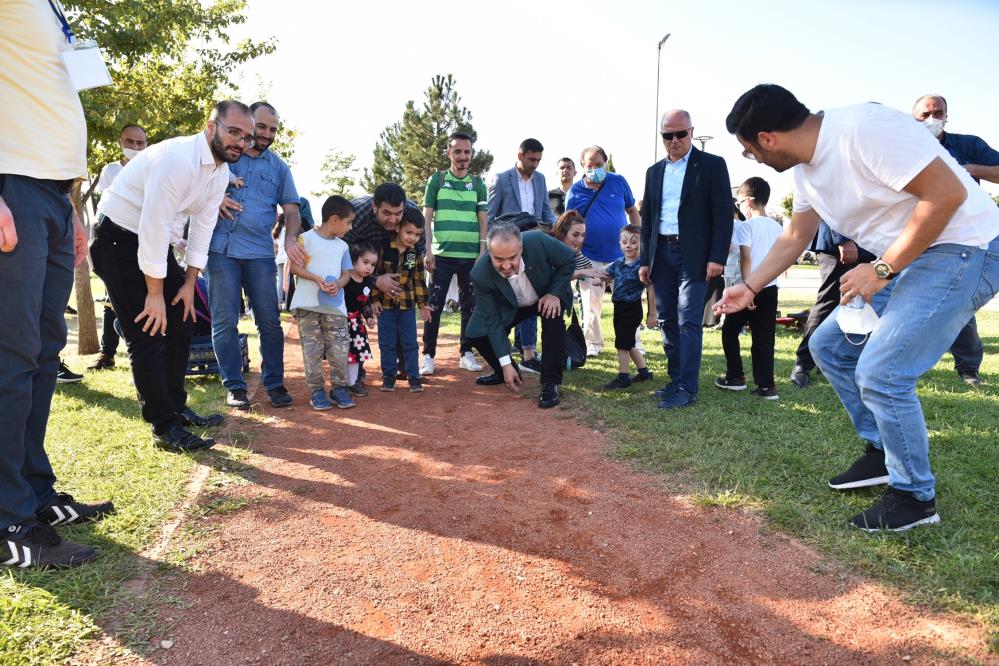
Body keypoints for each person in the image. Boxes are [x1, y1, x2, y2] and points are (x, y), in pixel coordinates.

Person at [718, 84, 999, 531]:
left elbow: (946, 195)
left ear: (767, 138)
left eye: (750, 152)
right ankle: (884, 453)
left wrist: (882, 269)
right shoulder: (808, 173)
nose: (755, 161)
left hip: (967, 248)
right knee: (830, 346)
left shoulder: (862, 128)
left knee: (883, 372)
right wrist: (749, 287)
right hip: (914, 258)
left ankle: (914, 498)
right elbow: (795, 237)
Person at [1, 0, 117, 569]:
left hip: (49, 192)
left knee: (46, 353)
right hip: (12, 183)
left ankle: (34, 495)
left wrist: (69, 203)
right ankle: (8, 522)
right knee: (13, 355)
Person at [93, 100, 250, 454]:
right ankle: (165, 428)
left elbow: (203, 229)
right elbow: (152, 225)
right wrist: (153, 294)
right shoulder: (178, 159)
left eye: (246, 136)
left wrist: (189, 284)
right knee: (147, 331)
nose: (240, 141)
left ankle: (177, 407)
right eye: (234, 132)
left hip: (152, 242)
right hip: (117, 239)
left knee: (180, 320)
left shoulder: (219, 173)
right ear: (211, 127)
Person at [207, 101, 302, 411]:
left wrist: (290, 238)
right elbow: (195, 186)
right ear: (249, 124)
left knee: (270, 322)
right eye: (261, 127)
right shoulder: (223, 156)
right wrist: (215, 196)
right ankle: (234, 387)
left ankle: (274, 384)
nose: (267, 134)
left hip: (260, 253)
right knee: (224, 321)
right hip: (220, 250)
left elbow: (291, 208)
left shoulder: (278, 168)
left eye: (273, 129)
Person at [638, 110, 733, 410]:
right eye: (668, 135)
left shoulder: (712, 166)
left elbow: (723, 216)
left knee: (688, 321)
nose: (675, 140)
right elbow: (648, 221)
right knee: (666, 320)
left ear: (692, 131)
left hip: (695, 256)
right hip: (661, 255)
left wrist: (717, 257)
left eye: (681, 134)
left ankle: (687, 388)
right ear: (662, 136)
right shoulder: (653, 172)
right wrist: (644, 260)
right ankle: (675, 379)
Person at [912, 94, 999, 387]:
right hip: (917, 234)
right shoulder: (905, 146)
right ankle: (901, 361)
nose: (932, 119)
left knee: (958, 302)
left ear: (947, 116)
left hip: (962, 236)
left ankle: (968, 369)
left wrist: (971, 169)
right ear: (914, 118)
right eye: (925, 114)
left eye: (938, 113)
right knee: (904, 298)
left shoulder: (967, 145)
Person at [466, 223, 576, 409]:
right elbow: (492, 321)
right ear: (489, 253)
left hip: (545, 295)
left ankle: (551, 383)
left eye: (512, 258)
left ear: (521, 248)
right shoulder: (480, 273)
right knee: (475, 332)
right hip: (512, 304)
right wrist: (506, 363)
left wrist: (554, 293)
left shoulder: (537, 240)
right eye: (498, 259)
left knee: (553, 321)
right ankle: (505, 372)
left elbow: (569, 260)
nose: (507, 265)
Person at [487, 139, 558, 373]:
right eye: (531, 159)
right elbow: (490, 215)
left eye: (538, 160)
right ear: (520, 155)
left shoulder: (541, 179)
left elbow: (545, 211)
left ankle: (528, 352)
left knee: (531, 296)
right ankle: (502, 351)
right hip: (507, 250)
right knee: (508, 299)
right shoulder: (501, 178)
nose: (535, 164)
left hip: (533, 248)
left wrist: (559, 228)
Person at [420, 131, 487, 377]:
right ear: (449, 153)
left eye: (467, 152)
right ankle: (428, 355)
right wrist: (427, 250)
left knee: (470, 305)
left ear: (471, 155)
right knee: (434, 305)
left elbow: (483, 219)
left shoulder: (478, 184)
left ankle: (466, 353)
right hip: (442, 255)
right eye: (457, 151)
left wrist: (482, 251)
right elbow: (427, 218)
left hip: (470, 256)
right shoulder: (436, 180)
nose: (462, 156)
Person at [567, 146, 641, 357]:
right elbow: (569, 224)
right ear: (582, 165)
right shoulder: (575, 191)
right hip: (589, 257)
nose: (595, 169)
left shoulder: (618, 181)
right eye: (590, 165)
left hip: (623, 258)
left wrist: (639, 238)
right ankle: (593, 344)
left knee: (629, 302)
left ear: (605, 163)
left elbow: (632, 210)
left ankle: (634, 342)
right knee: (591, 304)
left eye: (599, 165)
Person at [714, 178, 783, 400]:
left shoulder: (745, 226)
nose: (739, 206)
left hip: (750, 286)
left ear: (750, 201)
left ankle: (735, 376)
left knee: (730, 331)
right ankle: (766, 386)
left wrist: (748, 287)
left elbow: (746, 258)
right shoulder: (778, 227)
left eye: (740, 201)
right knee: (765, 338)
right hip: (771, 287)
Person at [89, 124, 149, 371]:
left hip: (142, 241)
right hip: (113, 241)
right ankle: (108, 352)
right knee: (111, 298)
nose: (135, 147)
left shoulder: (151, 169)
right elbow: (106, 204)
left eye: (140, 143)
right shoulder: (110, 170)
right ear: (119, 142)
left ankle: (145, 349)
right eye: (130, 142)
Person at [288, 196, 356, 410]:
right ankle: (317, 391)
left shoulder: (343, 246)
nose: (350, 227)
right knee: (312, 350)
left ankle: (339, 388)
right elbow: (294, 268)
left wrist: (338, 283)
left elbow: (347, 274)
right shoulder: (305, 239)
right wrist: (316, 279)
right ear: (334, 220)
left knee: (339, 349)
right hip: (308, 306)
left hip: (335, 308)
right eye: (349, 222)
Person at [789, 221, 874, 388]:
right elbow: (829, 200)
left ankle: (834, 360)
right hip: (841, 243)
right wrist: (841, 239)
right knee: (828, 303)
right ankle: (803, 363)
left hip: (868, 245)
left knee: (858, 305)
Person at [373, 207, 431, 393]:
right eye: (409, 232)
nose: (412, 238)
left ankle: (413, 375)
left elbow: (419, 279)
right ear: (398, 228)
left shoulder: (415, 253)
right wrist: (374, 299)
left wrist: (423, 305)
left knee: (410, 342)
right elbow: (375, 275)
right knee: (387, 342)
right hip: (386, 305)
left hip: (407, 306)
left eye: (417, 234)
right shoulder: (383, 248)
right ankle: (389, 376)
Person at [600, 225, 656, 390]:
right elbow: (606, 274)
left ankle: (623, 377)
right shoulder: (618, 262)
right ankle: (644, 372)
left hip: (632, 307)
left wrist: (652, 313)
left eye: (633, 242)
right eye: (624, 242)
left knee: (622, 343)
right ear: (619, 243)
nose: (628, 245)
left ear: (642, 243)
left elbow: (651, 288)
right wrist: (598, 278)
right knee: (628, 342)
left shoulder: (642, 265)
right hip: (619, 307)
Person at [343, 243, 380, 397]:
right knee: (341, 355)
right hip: (341, 322)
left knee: (356, 355)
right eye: (365, 262)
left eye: (372, 264)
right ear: (353, 260)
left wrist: (369, 317)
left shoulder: (367, 282)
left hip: (356, 324)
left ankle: (352, 383)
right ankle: (340, 384)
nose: (369, 268)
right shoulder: (344, 278)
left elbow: (365, 302)